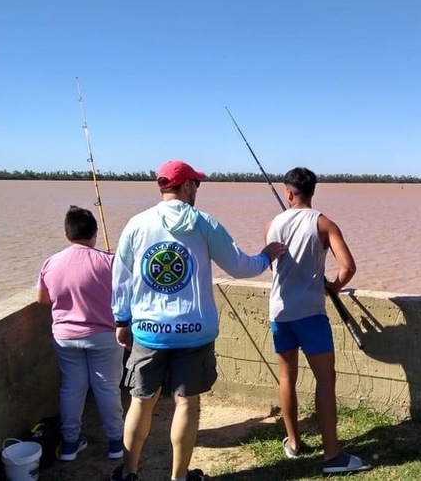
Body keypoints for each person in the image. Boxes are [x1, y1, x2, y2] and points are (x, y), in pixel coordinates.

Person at [110, 160, 286, 481]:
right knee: (186, 404)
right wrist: (266, 256)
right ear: (188, 185)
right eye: (197, 184)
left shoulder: (137, 224)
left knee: (141, 402)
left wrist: (122, 320)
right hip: (194, 333)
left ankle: (128, 473)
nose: (197, 190)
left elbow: (121, 277)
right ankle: (179, 477)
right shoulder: (205, 224)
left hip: (148, 332)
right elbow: (239, 266)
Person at [265, 167, 371, 475]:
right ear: (313, 191)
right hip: (311, 313)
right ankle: (332, 455)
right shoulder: (324, 223)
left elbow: (272, 268)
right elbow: (348, 267)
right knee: (325, 380)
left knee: (286, 377)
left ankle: (294, 443)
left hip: (279, 313)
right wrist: (333, 286)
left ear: (288, 193)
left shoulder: (271, 225)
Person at [36, 205, 124, 462]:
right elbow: (125, 295)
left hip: (65, 337)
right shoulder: (110, 262)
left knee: (72, 388)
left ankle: (69, 445)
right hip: (104, 336)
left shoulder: (50, 263)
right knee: (106, 387)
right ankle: (116, 443)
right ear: (95, 233)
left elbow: (43, 299)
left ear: (67, 234)